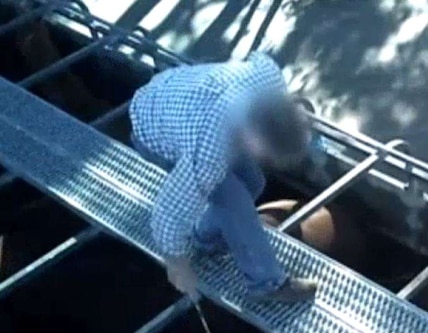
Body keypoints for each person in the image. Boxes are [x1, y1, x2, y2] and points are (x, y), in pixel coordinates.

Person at [129, 52, 319, 302]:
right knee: (235, 201)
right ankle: (267, 284)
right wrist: (177, 264)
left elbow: (258, 56)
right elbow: (168, 213)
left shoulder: (270, 78)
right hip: (152, 125)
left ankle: (204, 238)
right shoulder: (209, 152)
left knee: (254, 182)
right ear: (252, 138)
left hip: (180, 95)